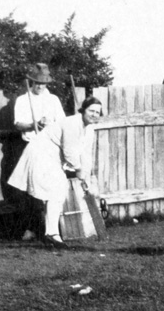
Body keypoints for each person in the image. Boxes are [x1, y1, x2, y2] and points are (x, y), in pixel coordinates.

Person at [7, 96, 104, 248]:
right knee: (56, 190)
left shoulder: (89, 129)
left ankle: (51, 234)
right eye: (91, 111)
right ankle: (52, 234)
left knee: (58, 191)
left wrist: (85, 174)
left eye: (97, 112)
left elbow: (86, 153)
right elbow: (69, 151)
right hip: (41, 153)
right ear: (83, 110)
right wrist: (78, 169)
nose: (94, 114)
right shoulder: (73, 123)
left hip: (52, 157)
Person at [11, 63, 67, 240]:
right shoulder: (22, 100)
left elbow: (62, 123)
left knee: (54, 188)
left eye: (43, 83)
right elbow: (18, 124)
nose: (40, 86)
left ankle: (53, 229)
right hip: (32, 146)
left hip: (51, 149)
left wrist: (48, 125)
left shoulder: (53, 100)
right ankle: (32, 228)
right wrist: (33, 123)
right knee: (32, 191)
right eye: (36, 83)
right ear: (31, 82)